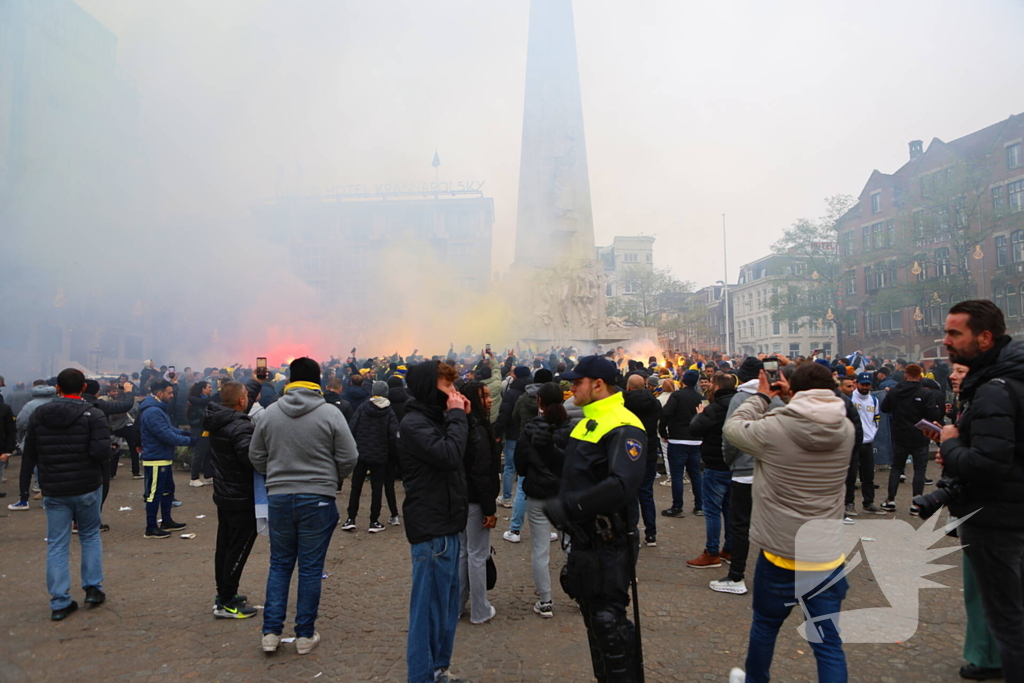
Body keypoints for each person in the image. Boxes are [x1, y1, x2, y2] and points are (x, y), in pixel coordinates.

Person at [724, 362, 854, 683]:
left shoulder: (774, 429)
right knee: (827, 642)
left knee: (765, 626)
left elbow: (734, 427)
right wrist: (791, 398)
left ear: (794, 391)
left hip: (782, 555)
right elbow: (811, 419)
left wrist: (763, 397)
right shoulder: (846, 429)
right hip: (826, 555)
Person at [543, 355, 646, 683]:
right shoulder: (590, 419)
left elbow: (622, 483)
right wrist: (546, 450)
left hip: (610, 540)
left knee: (608, 624)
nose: (571, 388)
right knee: (595, 622)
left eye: (577, 382)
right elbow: (581, 472)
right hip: (585, 539)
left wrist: (570, 506)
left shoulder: (623, 424)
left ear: (598, 384)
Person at [937, 300, 1024, 681]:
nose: (946, 341)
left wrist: (951, 445)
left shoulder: (993, 389)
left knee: (1007, 620)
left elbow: (988, 465)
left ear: (985, 338)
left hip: (995, 519)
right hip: (1013, 511)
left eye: (954, 333)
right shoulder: (1012, 379)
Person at [249, 357, 357, 655]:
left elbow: (255, 454)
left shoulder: (270, 413)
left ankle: (271, 633)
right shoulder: (330, 413)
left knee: (280, 564)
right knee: (310, 568)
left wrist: (275, 474)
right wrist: (333, 478)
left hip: (279, 496)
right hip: (318, 497)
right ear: (317, 380)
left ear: (290, 379)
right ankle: (304, 636)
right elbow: (350, 455)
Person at [397, 360, 471, 683]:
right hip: (431, 529)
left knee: (446, 609)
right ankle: (421, 677)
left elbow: (465, 455)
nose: (453, 391)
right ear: (431, 388)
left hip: (449, 524)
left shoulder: (437, 418)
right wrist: (456, 418)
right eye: (447, 386)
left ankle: (439, 670)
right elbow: (449, 455)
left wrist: (466, 418)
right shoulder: (414, 424)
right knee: (427, 613)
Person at [22, 368, 111, 620]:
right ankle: (93, 588)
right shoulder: (94, 414)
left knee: (57, 543)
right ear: (83, 388)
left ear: (57, 388)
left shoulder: (39, 414)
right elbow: (101, 453)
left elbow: (30, 454)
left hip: (54, 488)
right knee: (90, 535)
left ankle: (60, 601)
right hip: (87, 486)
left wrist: (25, 490)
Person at [203, 379, 263, 620]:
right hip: (241, 498)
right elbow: (251, 459)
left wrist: (256, 381)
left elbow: (240, 396)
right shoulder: (240, 427)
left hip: (225, 494)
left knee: (225, 547)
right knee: (238, 549)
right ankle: (227, 602)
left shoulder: (219, 419)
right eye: (247, 395)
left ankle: (224, 594)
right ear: (241, 400)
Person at [514, 381, 570, 618]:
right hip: (565, 494)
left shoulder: (530, 430)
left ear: (539, 402)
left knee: (540, 550)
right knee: (571, 546)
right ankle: (582, 595)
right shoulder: (571, 429)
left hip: (538, 494)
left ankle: (545, 601)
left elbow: (520, 464)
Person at [457, 380, 501, 625]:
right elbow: (482, 471)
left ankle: (456, 605)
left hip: (462, 497)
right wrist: (489, 508)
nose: (490, 399)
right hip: (475, 499)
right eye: (484, 396)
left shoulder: (460, 425)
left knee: (464, 552)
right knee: (477, 554)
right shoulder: (478, 429)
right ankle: (480, 609)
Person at [686, 372, 737, 577]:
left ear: (717, 387)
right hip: (735, 466)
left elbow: (694, 429)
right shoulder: (742, 406)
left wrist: (699, 414)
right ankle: (730, 549)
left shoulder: (714, 409)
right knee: (730, 510)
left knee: (712, 511)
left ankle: (712, 552)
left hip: (715, 465)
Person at [880, 363, 941, 514]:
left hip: (900, 435)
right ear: (920, 377)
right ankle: (916, 504)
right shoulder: (926, 393)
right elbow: (933, 415)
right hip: (920, 436)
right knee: (919, 470)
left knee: (896, 467)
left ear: (905, 375)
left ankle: (890, 500)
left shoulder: (894, 391)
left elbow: (884, 408)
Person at [139, 380, 196, 538]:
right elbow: (165, 435)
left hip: (163, 457)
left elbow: (168, 428)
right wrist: (189, 441)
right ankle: (151, 527)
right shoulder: (152, 411)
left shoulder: (158, 408)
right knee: (154, 494)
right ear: (160, 393)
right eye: (169, 393)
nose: (172, 396)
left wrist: (184, 433)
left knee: (167, 491)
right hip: (156, 458)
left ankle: (166, 520)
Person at [342, 381, 400, 533]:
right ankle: (374, 521)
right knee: (377, 488)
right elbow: (393, 436)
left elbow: (352, 428)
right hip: (380, 455)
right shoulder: (389, 411)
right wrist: (393, 455)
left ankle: (351, 518)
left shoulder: (363, 407)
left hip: (361, 453)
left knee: (356, 487)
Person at [623, 373, 662, 546]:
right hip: (649, 450)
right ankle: (651, 534)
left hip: (629, 451)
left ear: (628, 387)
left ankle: (632, 532)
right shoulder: (654, 402)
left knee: (630, 494)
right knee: (646, 493)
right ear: (645, 385)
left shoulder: (623, 403)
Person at [659, 369, 704, 518]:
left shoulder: (677, 395)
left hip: (678, 438)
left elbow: (666, 413)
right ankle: (699, 506)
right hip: (695, 439)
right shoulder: (699, 397)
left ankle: (677, 507)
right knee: (695, 474)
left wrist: (663, 431)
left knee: (677, 475)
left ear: (683, 380)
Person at [846, 372, 886, 516]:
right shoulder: (850, 399)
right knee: (851, 476)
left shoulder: (874, 400)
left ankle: (868, 503)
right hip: (852, 443)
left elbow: (876, 419)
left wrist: (871, 434)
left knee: (868, 476)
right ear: (856, 383)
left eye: (867, 385)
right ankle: (849, 503)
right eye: (862, 384)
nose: (865, 387)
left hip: (868, 443)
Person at [495, 366, 532, 508]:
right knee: (527, 467)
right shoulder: (534, 392)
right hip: (530, 434)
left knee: (510, 467)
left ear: (515, 375)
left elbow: (505, 414)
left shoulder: (511, 392)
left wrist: (497, 432)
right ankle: (523, 498)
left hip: (513, 434)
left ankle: (507, 498)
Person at [187, 381, 215, 486]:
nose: (211, 389)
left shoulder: (205, 401)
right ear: (203, 389)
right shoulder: (199, 402)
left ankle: (208, 476)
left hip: (206, 430)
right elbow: (203, 416)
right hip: (199, 430)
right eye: (209, 387)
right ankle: (194, 478)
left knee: (208, 454)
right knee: (199, 455)